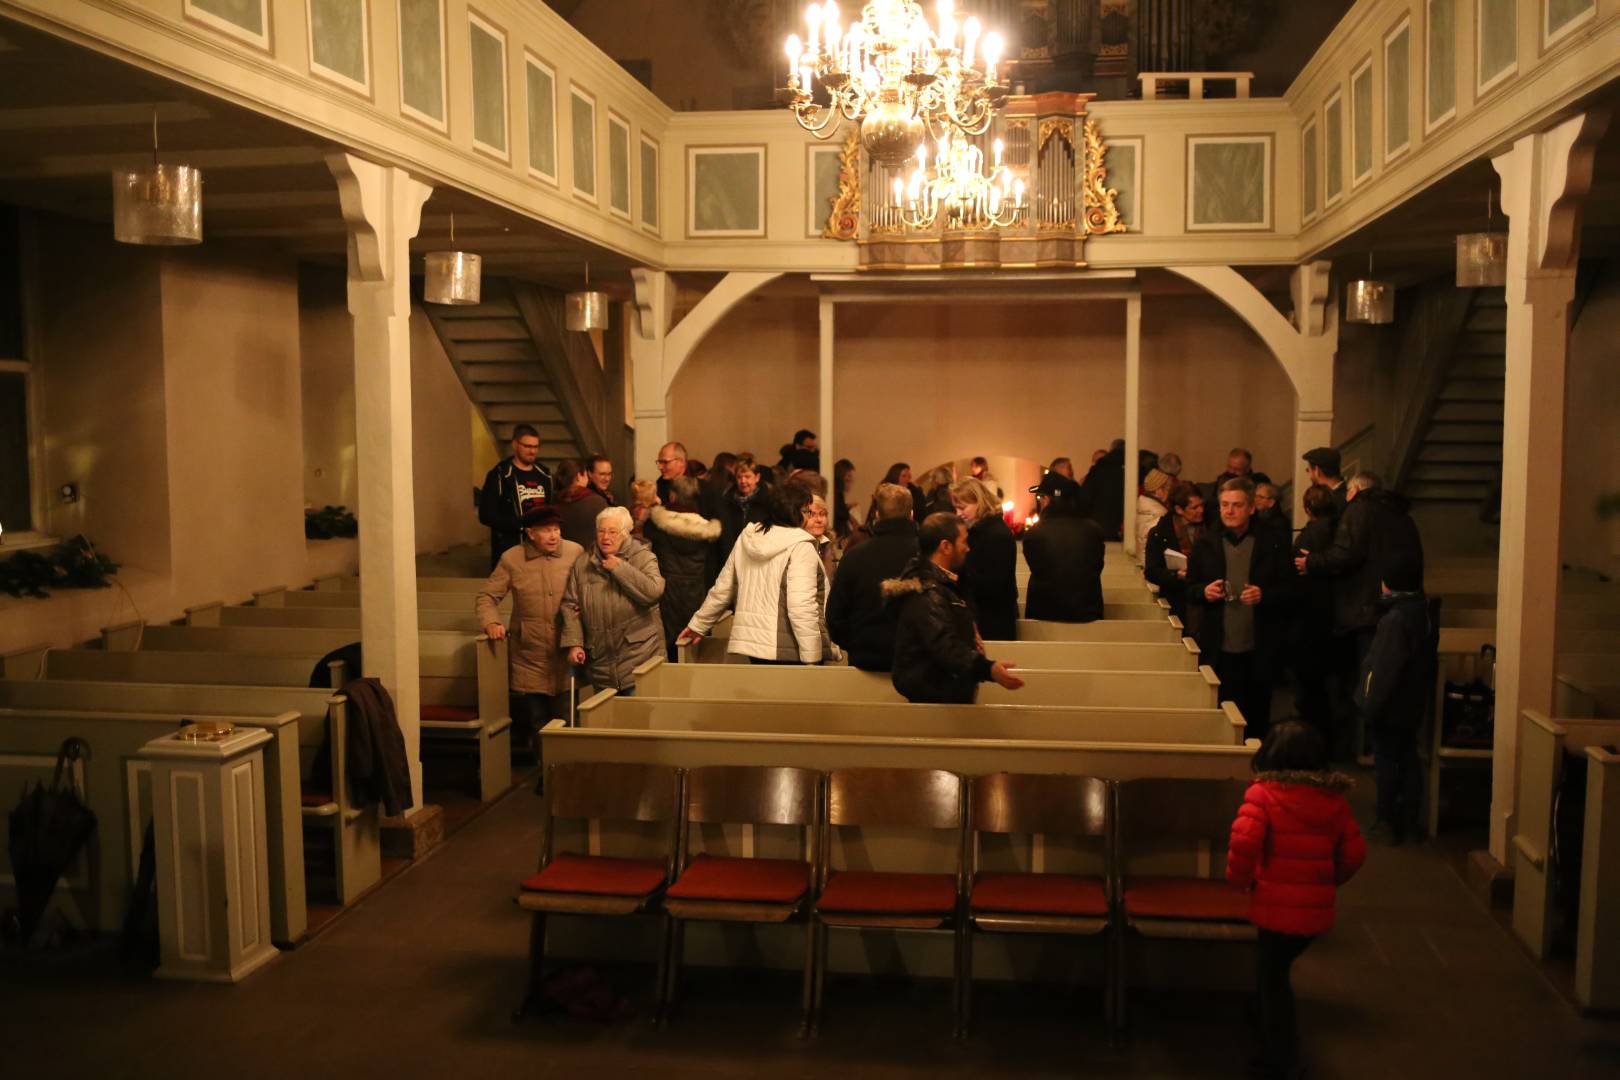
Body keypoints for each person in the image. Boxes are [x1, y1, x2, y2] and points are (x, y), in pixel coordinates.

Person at [1227, 720, 1366, 1080]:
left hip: (1273, 902)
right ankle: (1262, 1021)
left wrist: (1238, 882)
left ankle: (1283, 1059)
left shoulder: (1264, 794)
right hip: (1311, 913)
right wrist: (1328, 882)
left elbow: (1244, 843)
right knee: (1273, 968)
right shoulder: (1332, 800)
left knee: (1274, 979)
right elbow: (1354, 853)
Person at [1296, 471, 1424, 757]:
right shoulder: (1400, 513)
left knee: (1362, 680)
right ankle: (1370, 746)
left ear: (1353, 491)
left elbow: (1345, 552)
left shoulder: (1359, 509)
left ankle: (1355, 748)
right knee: (1385, 679)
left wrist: (1312, 562)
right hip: (1397, 603)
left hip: (1364, 608)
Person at [883, 512, 1025, 704]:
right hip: (936, 698)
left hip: (943, 693)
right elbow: (944, 645)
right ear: (946, 547)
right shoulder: (928, 593)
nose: (968, 548)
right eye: (964, 541)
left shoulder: (947, 584)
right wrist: (988, 669)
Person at [680, 484, 830, 665]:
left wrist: (699, 624)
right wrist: (812, 657)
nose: (809, 516)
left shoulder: (749, 536)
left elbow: (723, 588)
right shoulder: (801, 546)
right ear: (795, 511)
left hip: (753, 645)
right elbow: (801, 606)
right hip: (790, 647)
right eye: (807, 510)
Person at [1187, 478, 1290, 738]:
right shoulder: (1206, 543)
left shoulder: (1272, 542)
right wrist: (1204, 592)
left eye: (1236, 505)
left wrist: (1264, 594)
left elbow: (1293, 589)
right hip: (1218, 643)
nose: (1229, 511)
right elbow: (1189, 587)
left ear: (1251, 508)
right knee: (1222, 712)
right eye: (1224, 505)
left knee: (1256, 714)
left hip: (1259, 641)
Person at [476, 507, 583, 753]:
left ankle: (566, 773)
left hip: (564, 648)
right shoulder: (512, 558)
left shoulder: (574, 552)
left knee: (569, 720)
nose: (554, 536)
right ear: (531, 533)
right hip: (529, 653)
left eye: (556, 529)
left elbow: (589, 589)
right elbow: (487, 597)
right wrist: (491, 622)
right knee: (538, 721)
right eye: (546, 530)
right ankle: (543, 772)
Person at [1356, 555, 1435, 845]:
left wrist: (1369, 704)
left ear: (1387, 583)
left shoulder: (1394, 619)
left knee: (1387, 760)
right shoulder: (1422, 611)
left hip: (1390, 704)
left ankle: (1386, 820)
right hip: (1412, 702)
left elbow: (1384, 667)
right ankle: (1410, 821)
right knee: (1408, 758)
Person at [559, 505, 666, 695]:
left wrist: (620, 568)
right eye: (601, 531)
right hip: (600, 662)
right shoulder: (583, 563)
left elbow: (653, 592)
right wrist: (574, 643)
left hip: (640, 659)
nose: (605, 537)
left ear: (626, 533)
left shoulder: (643, 557)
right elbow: (570, 605)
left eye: (612, 532)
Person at [827, 483, 916, 672]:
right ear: (911, 514)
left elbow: (835, 618)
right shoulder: (927, 554)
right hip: (917, 661)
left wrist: (858, 644)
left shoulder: (854, 556)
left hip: (866, 662)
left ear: (877, 514)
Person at [644, 475, 720, 661]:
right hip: (696, 591)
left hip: (667, 592)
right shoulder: (705, 529)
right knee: (694, 645)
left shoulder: (657, 523)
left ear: (672, 496)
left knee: (669, 646)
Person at [1291, 485, 1341, 738]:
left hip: (1309, 614)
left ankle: (1310, 737)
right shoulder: (1340, 531)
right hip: (1333, 613)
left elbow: (1296, 574)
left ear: (1307, 509)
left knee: (1310, 684)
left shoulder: (1309, 536)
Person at [1023, 469, 1105, 623]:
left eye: (1040, 497)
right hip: (1087, 614)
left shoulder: (1035, 534)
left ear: (1046, 500)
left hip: (1043, 616)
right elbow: (1097, 567)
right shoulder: (1093, 531)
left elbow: (1037, 568)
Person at [950, 477, 1018, 641]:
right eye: (956, 509)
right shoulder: (979, 530)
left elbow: (992, 584)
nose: (958, 514)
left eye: (963, 507)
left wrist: (955, 579)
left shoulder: (995, 534)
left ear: (979, 502)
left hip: (993, 618)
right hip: (985, 615)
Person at [478, 424, 553, 568]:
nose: (532, 451)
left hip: (540, 546)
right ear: (515, 445)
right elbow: (485, 514)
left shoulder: (544, 474)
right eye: (527, 446)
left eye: (536, 447)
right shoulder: (500, 474)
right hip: (510, 546)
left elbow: (550, 507)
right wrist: (519, 525)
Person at [1143, 482, 1205, 625]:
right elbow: (1151, 571)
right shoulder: (1160, 533)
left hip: (1205, 598)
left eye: (1202, 505)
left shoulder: (1210, 529)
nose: (1201, 510)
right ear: (1179, 509)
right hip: (1177, 599)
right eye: (1194, 507)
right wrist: (1176, 575)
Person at [717, 453, 765, 561]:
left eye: (747, 476)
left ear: (757, 477)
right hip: (732, 558)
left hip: (758, 558)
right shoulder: (728, 501)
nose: (743, 481)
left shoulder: (767, 501)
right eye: (739, 477)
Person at [1075, 439, 1126, 540]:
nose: (1095, 464)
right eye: (1094, 461)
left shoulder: (1095, 475)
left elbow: (1084, 501)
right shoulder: (1087, 479)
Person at [554, 458, 608, 550]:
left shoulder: (553, 501)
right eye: (586, 475)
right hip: (589, 557)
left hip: (561, 556)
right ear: (579, 476)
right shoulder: (597, 502)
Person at [1302, 446, 1348, 520]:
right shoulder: (1346, 493)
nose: (1308, 474)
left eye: (1308, 470)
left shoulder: (1332, 502)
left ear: (1317, 471)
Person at [1135, 467, 1173, 556]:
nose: (1170, 493)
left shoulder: (1144, 508)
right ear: (1159, 491)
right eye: (1168, 489)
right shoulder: (1158, 515)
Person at [832, 458, 857, 539]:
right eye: (848, 476)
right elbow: (840, 512)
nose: (850, 479)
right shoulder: (836, 491)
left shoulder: (836, 491)